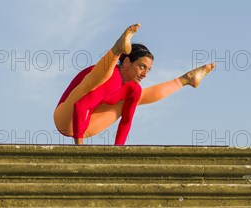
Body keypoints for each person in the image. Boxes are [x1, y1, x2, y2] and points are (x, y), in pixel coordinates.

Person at [53, 23, 215, 145]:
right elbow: (81, 105)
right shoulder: (112, 77)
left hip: (87, 123)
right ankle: (117, 50)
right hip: (65, 118)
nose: (145, 74)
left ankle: (186, 79)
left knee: (137, 94)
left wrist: (118, 153)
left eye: (148, 70)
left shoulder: (131, 88)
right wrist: (79, 147)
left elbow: (126, 122)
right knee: (95, 82)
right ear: (127, 62)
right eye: (142, 67)